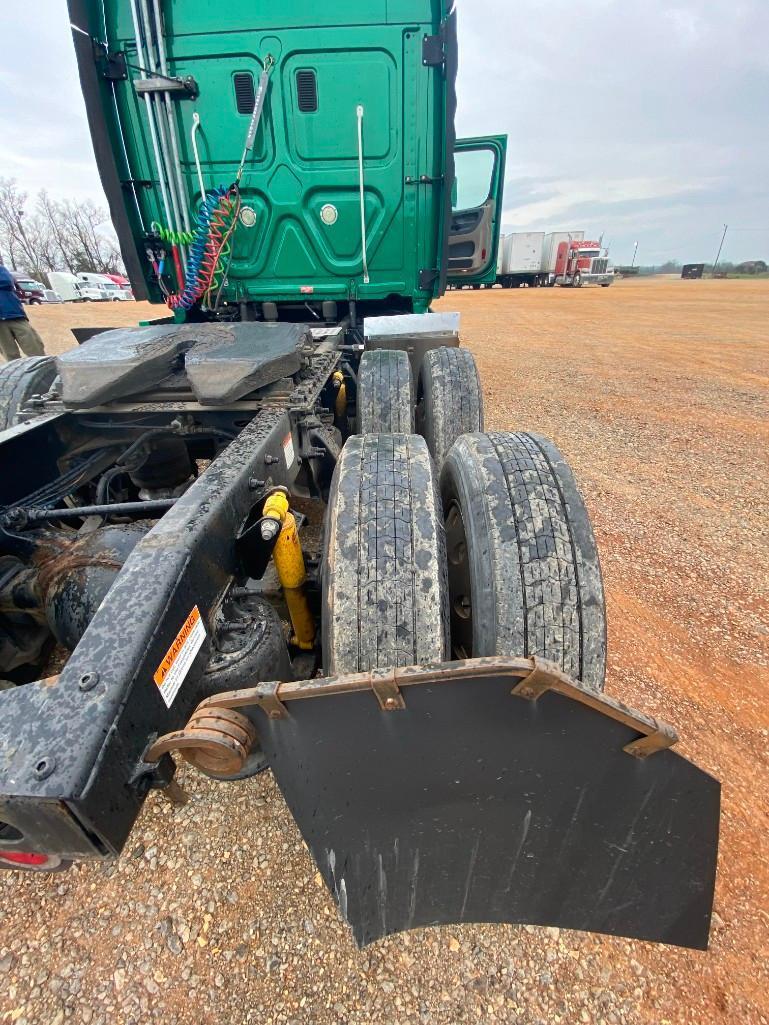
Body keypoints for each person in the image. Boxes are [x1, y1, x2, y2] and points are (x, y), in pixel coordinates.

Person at [0, 264, 46, 362]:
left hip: (15, 315)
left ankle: (47, 371)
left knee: (35, 349)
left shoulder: (1, 269)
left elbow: (7, 281)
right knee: (10, 356)